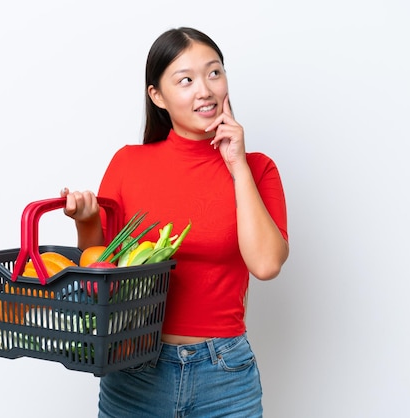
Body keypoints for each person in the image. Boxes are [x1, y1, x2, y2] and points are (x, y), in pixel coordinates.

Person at [61, 27, 289, 418]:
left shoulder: (258, 169)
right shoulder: (128, 164)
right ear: (158, 96)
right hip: (134, 367)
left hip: (225, 374)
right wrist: (85, 222)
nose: (205, 90)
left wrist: (237, 166)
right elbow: (101, 270)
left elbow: (266, 264)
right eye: (186, 80)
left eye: (214, 73)